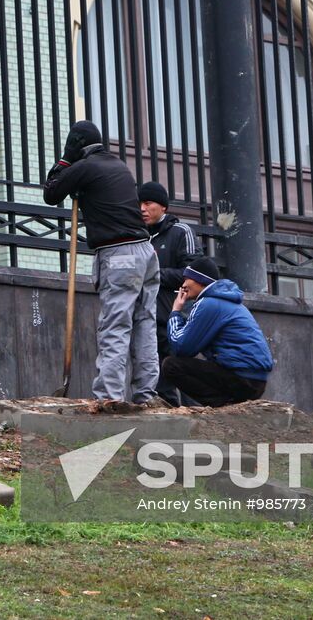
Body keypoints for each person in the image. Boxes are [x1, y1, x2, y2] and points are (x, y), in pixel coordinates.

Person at [43, 120, 161, 404]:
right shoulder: (118, 165)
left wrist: (64, 159)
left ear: (76, 144)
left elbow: (51, 193)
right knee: (144, 324)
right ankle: (146, 394)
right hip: (146, 253)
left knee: (115, 327)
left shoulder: (84, 167)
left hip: (119, 256)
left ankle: (109, 397)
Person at [161, 256, 273, 408]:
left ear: (199, 280)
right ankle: (226, 404)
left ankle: (221, 406)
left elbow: (181, 347)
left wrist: (175, 311)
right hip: (254, 381)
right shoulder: (225, 301)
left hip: (241, 379)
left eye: (187, 279)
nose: (183, 285)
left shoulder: (208, 303)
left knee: (172, 365)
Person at [138, 181, 198, 404]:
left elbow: (192, 274)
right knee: (159, 382)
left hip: (176, 317)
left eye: (147, 203)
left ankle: (200, 420)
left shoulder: (181, 232)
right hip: (146, 318)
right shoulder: (138, 237)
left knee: (183, 372)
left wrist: (154, 274)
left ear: (163, 206)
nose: (142, 209)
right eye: (139, 204)